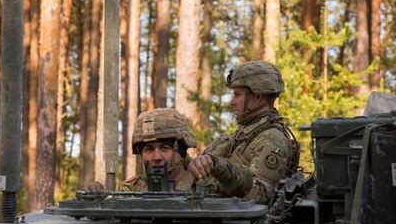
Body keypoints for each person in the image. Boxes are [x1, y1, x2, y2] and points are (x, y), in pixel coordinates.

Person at [188, 60, 299, 204]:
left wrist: (220, 167)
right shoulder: (240, 137)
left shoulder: (272, 140)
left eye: (237, 94)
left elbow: (259, 194)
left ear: (258, 97)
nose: (232, 102)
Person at [120, 108, 196, 191]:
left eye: (165, 148)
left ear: (181, 151)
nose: (156, 157)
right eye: (149, 149)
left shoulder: (204, 185)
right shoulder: (131, 190)